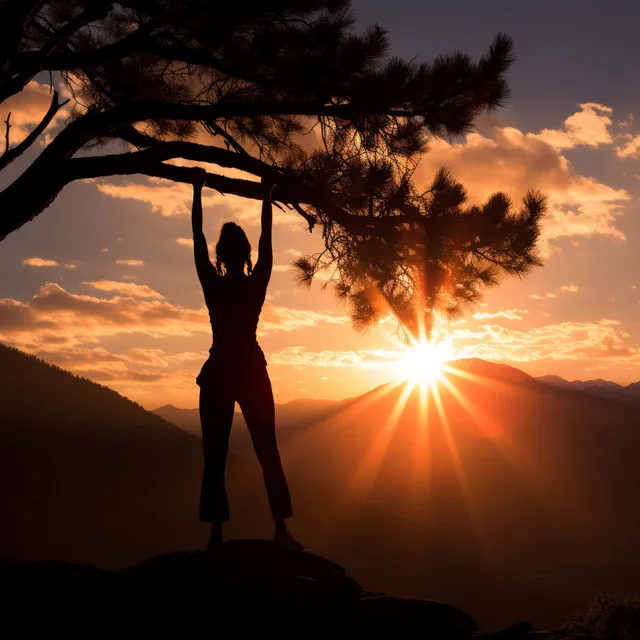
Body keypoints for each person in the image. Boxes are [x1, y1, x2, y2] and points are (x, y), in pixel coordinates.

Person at [191, 169, 301, 551]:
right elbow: (268, 244)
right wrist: (266, 197)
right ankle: (281, 530)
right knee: (267, 449)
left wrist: (197, 190)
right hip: (252, 370)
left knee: (214, 457)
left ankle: (216, 534)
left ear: (220, 256)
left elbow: (196, 240)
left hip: (219, 369)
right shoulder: (256, 284)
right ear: (246, 255)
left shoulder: (214, 284)